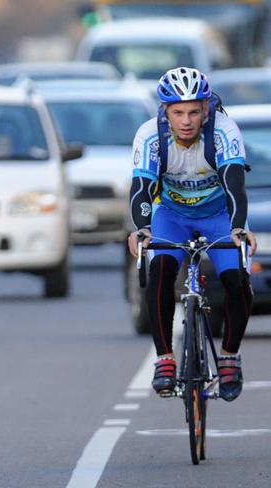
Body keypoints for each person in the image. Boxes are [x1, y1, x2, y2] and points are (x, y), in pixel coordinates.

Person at [127, 67, 257, 401]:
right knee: (160, 272)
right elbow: (142, 188)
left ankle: (229, 357)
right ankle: (165, 360)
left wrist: (239, 227)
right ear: (165, 111)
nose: (186, 121)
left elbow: (234, 184)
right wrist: (141, 230)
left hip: (218, 216)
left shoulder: (224, 130)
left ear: (206, 109)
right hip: (172, 215)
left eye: (194, 112)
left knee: (236, 280)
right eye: (178, 112)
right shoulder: (150, 135)